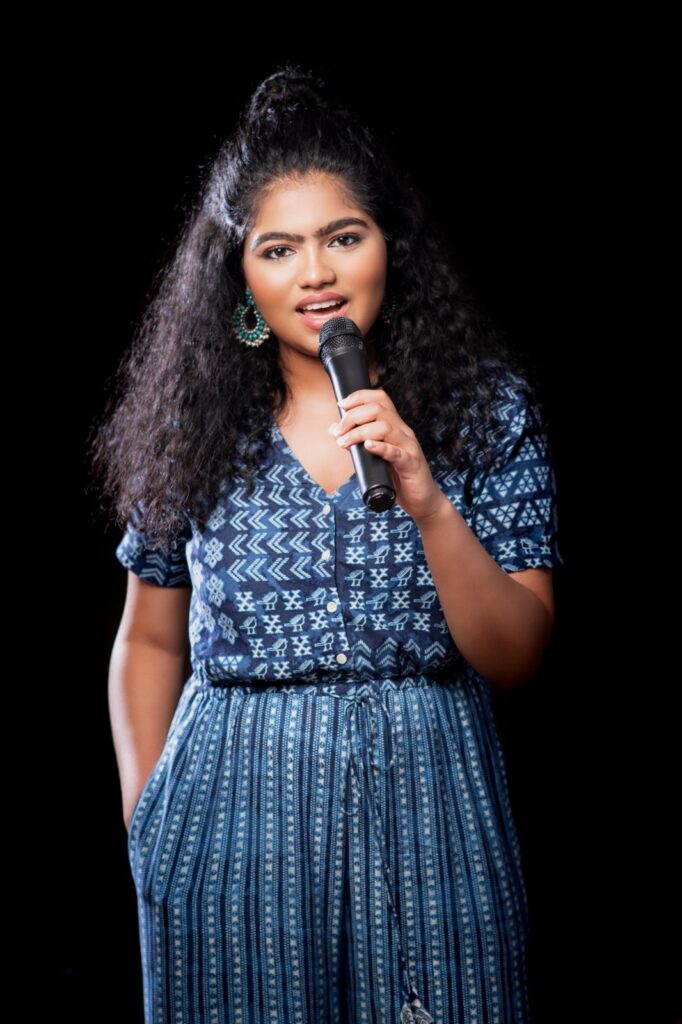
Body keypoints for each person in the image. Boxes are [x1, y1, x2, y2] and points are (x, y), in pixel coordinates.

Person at [91, 63, 564, 1024]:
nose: (316, 274)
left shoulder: (485, 413)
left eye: (343, 238)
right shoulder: (194, 428)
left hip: (431, 808)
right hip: (230, 820)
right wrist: (152, 822)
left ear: (390, 246)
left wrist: (428, 501)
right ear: (240, 275)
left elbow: (518, 654)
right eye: (279, 249)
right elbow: (147, 638)